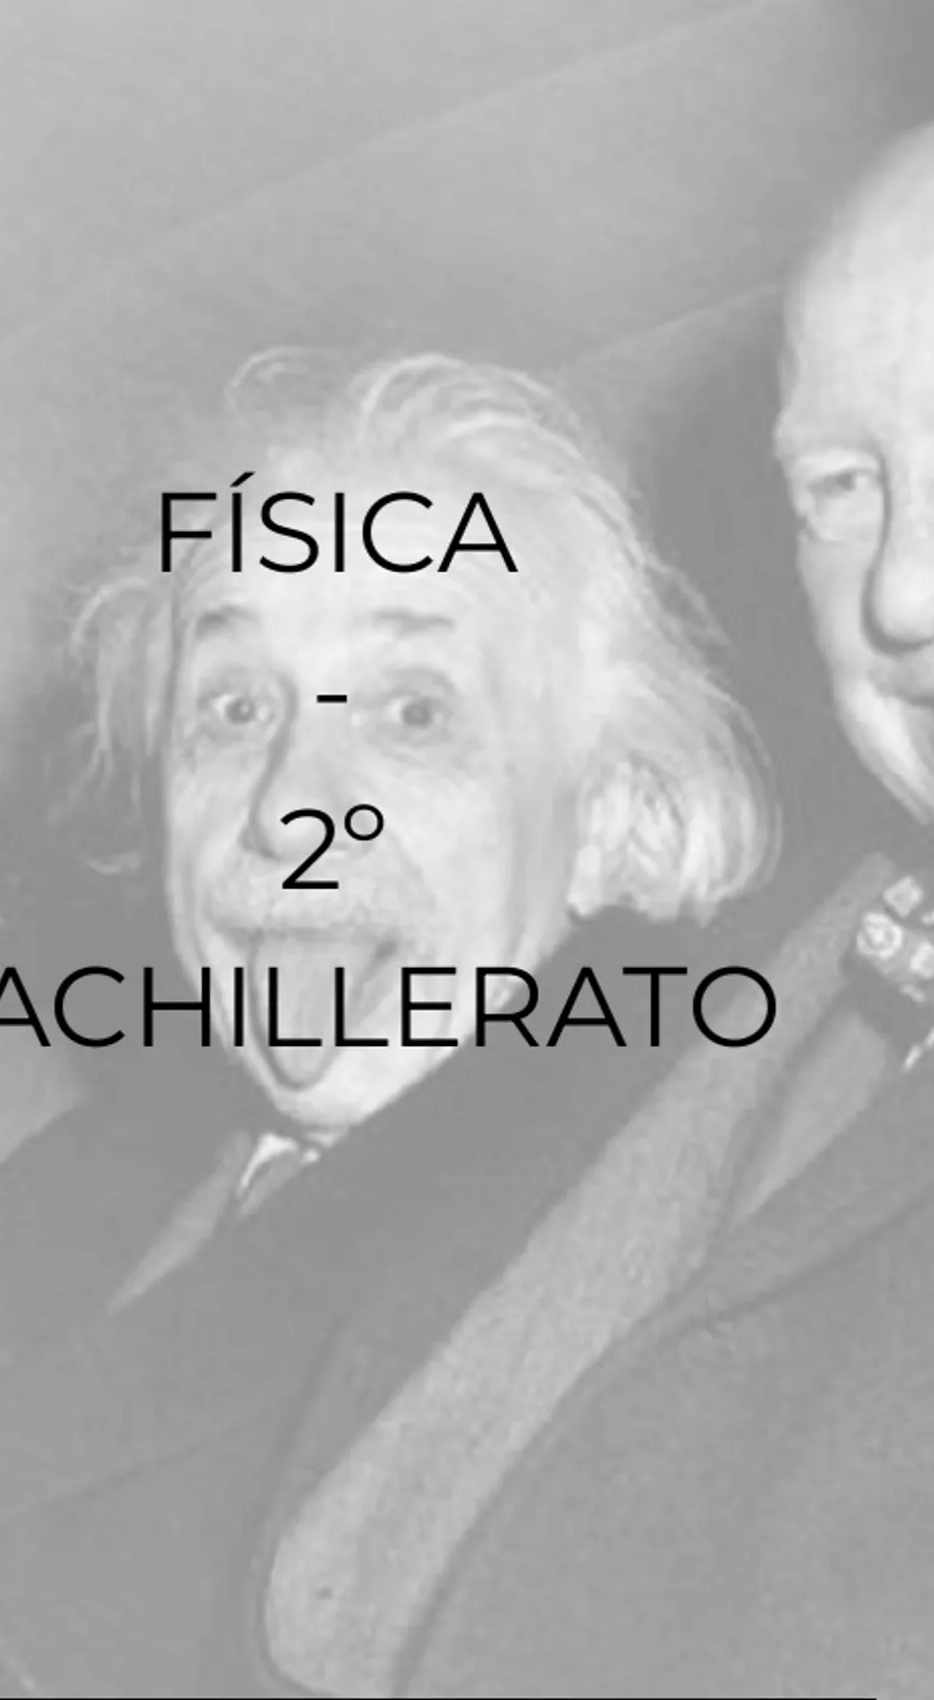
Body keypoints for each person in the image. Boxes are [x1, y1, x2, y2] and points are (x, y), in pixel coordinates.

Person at [0, 352, 773, 1697]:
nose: (293, 804)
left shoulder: (673, 1294)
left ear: (611, 819)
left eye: (414, 711)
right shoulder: (48, 1202)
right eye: (234, 709)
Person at [236, 128, 934, 1700]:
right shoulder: (798, 1026)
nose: (903, 590)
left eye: (416, 712)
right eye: (841, 483)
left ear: (624, 810)